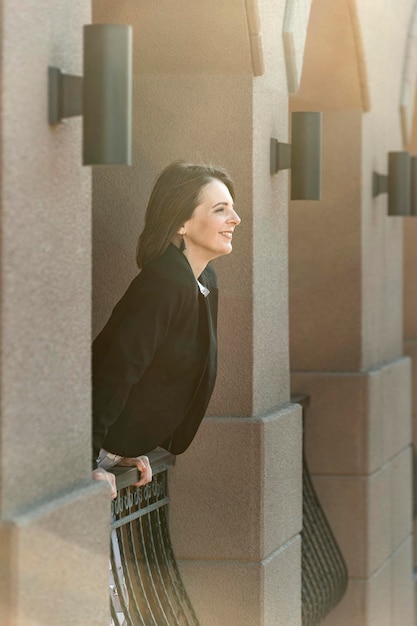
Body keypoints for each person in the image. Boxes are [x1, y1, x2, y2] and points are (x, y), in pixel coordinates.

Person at [92, 161, 241, 496]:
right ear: (182, 223)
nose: (235, 219)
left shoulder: (202, 278)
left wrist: (125, 447)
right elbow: (116, 370)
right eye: (221, 209)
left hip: (110, 450)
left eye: (233, 208)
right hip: (74, 451)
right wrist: (85, 461)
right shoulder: (163, 283)